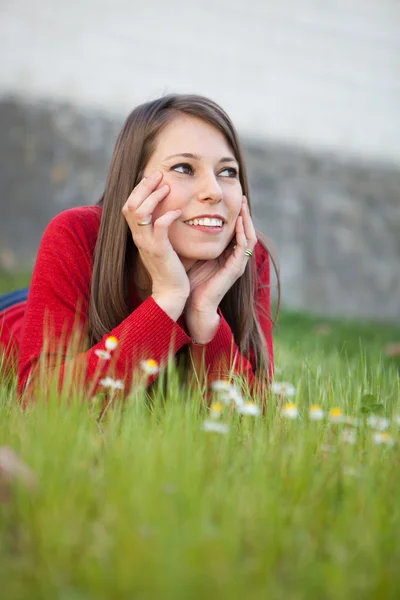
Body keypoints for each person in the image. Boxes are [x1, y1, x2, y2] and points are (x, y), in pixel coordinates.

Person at [0, 94, 280, 407]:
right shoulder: (77, 233)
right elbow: (41, 404)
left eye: (227, 171)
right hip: (18, 314)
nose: (214, 191)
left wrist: (204, 315)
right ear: (136, 184)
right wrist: (169, 299)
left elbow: (258, 419)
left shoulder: (245, 257)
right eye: (184, 168)